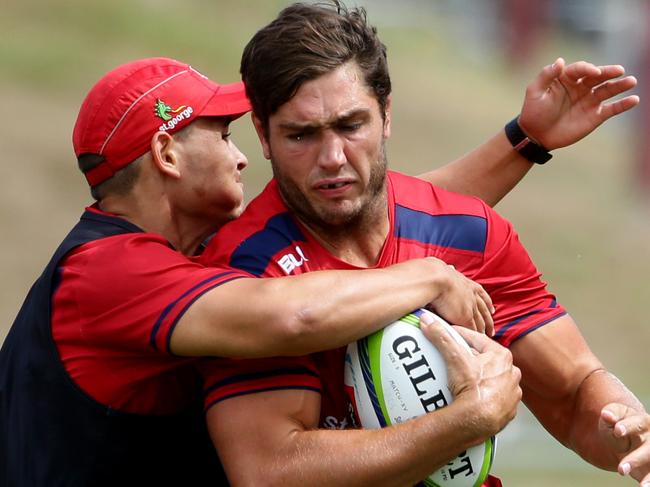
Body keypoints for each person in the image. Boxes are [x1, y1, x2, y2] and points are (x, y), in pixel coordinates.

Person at [198, 2, 650, 486]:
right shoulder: (243, 271)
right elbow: (270, 471)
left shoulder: (468, 233)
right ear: (263, 137)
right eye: (301, 135)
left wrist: (624, 429)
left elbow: (574, 390)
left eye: (351, 126)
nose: (332, 158)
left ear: (386, 114)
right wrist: (465, 421)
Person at [0, 57, 506, 487]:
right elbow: (293, 315)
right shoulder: (110, 270)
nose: (241, 158)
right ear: (166, 154)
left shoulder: (164, 259)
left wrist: (524, 141)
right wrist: (434, 277)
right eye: (222, 134)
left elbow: (386, 216)